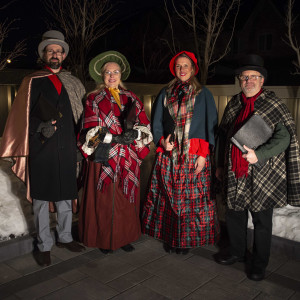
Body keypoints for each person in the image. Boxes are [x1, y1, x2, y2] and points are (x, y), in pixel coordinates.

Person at [0, 30, 86, 267]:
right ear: (44, 55)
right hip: (42, 149)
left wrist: (80, 145)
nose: (55, 54)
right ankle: (44, 245)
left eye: (59, 51)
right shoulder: (32, 81)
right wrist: (40, 128)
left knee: (66, 198)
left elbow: (82, 116)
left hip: (68, 148)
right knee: (40, 200)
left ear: (64, 55)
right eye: (51, 51)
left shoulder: (73, 82)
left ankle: (66, 237)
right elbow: (21, 117)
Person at [215, 54, 300, 281]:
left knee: (262, 221)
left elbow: (284, 138)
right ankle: (236, 252)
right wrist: (221, 165)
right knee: (234, 213)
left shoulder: (273, 103)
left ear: (262, 80)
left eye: (254, 76)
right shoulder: (234, 103)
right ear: (240, 80)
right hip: (235, 170)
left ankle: (259, 264)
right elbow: (223, 136)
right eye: (244, 77)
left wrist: (259, 154)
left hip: (263, 171)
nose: (248, 81)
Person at [142, 51, 219, 255]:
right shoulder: (166, 92)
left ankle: (187, 239)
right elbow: (156, 122)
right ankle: (172, 237)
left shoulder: (203, 93)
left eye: (186, 66)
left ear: (193, 69)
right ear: (174, 69)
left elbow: (210, 125)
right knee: (170, 198)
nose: (182, 69)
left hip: (194, 154)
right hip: (170, 154)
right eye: (178, 66)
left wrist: (203, 155)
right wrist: (161, 140)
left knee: (191, 201)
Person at [78, 51, 152, 254]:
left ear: (121, 74)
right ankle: (105, 239)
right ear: (101, 75)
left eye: (116, 71)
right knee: (104, 199)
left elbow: (144, 124)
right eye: (107, 72)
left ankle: (124, 237)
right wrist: (114, 138)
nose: (112, 75)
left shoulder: (132, 98)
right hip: (104, 156)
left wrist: (135, 133)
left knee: (126, 198)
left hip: (128, 157)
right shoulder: (92, 98)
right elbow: (89, 129)